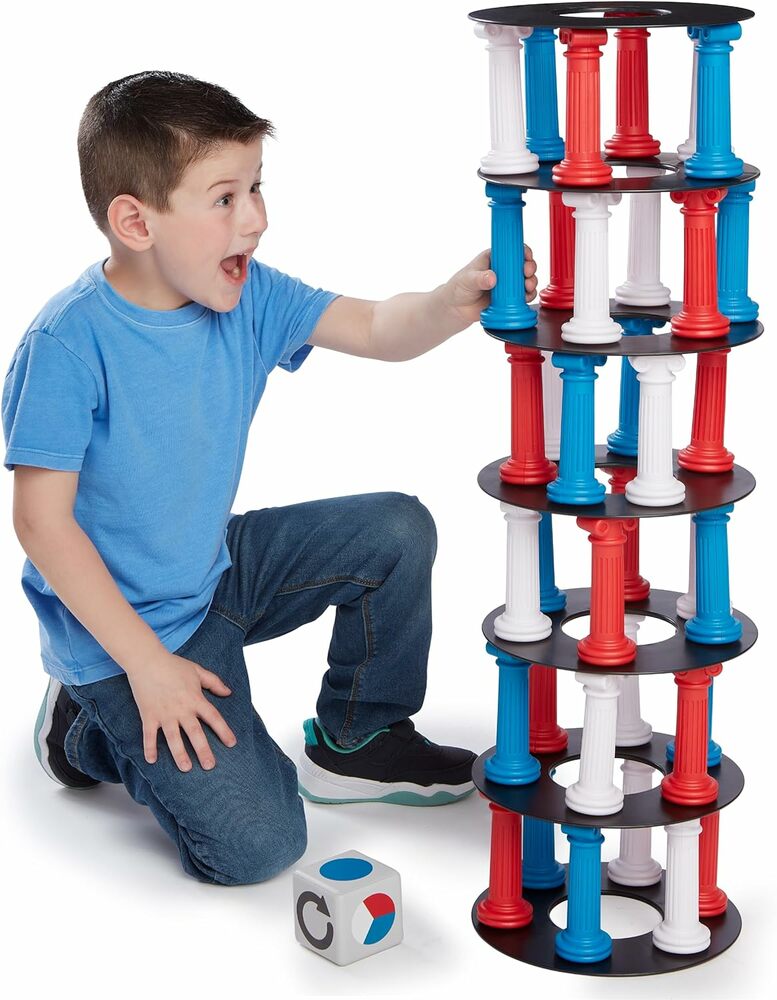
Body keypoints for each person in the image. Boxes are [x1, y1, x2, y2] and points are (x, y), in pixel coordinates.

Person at [4, 71, 538, 886]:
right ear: (135, 222)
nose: (255, 218)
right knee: (259, 848)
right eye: (225, 198)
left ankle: (358, 739)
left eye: (256, 188)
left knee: (395, 529)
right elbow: (41, 522)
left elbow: (376, 327)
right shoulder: (67, 345)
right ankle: (83, 730)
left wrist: (450, 300)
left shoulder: (247, 295)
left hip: (214, 571)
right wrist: (147, 666)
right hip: (127, 635)